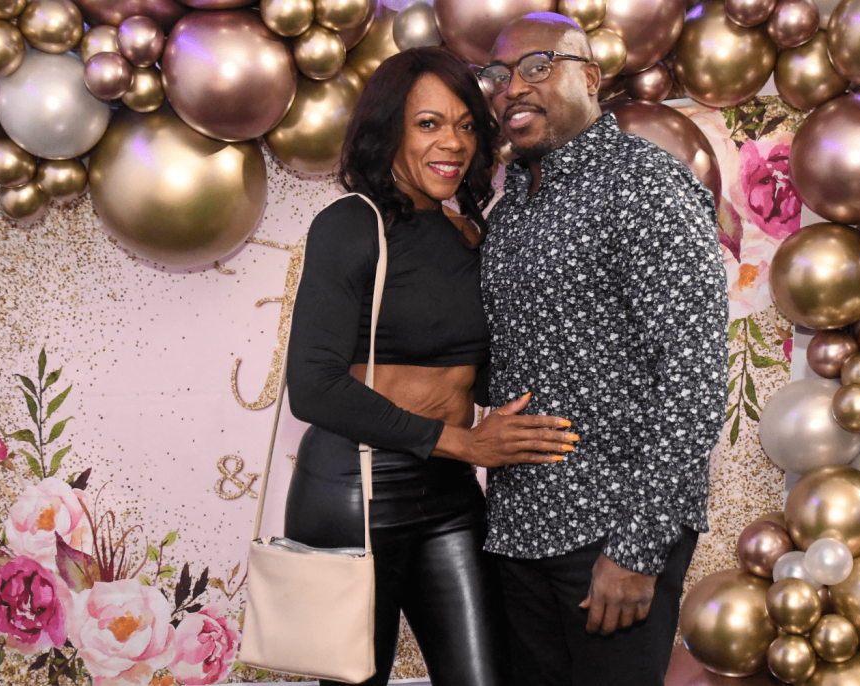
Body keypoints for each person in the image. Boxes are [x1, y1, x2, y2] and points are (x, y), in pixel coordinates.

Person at [283, 47, 578, 686]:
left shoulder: (470, 231)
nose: (454, 142)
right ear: (388, 128)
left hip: (448, 493)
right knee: (356, 677)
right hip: (354, 488)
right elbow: (312, 385)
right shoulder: (351, 225)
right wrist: (467, 442)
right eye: (428, 124)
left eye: (467, 125)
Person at [476, 14, 729, 686]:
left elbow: (694, 374)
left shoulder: (643, 183)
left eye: (535, 66)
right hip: (518, 530)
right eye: (497, 77)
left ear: (588, 77)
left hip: (608, 532)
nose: (510, 89)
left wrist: (638, 549)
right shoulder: (510, 212)